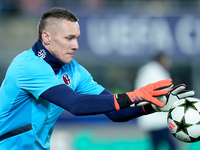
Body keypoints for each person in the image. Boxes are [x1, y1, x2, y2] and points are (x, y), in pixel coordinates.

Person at [0, 7, 195, 149]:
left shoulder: (75, 71)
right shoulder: (27, 66)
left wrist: (153, 105)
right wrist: (134, 96)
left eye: (77, 37)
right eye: (69, 38)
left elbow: (116, 113)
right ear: (47, 37)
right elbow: (75, 104)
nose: (76, 45)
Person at [134, 52, 177, 150]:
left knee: (155, 143)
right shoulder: (157, 72)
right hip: (159, 117)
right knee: (171, 144)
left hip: (149, 116)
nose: (169, 62)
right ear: (161, 59)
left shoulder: (146, 71)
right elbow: (164, 93)